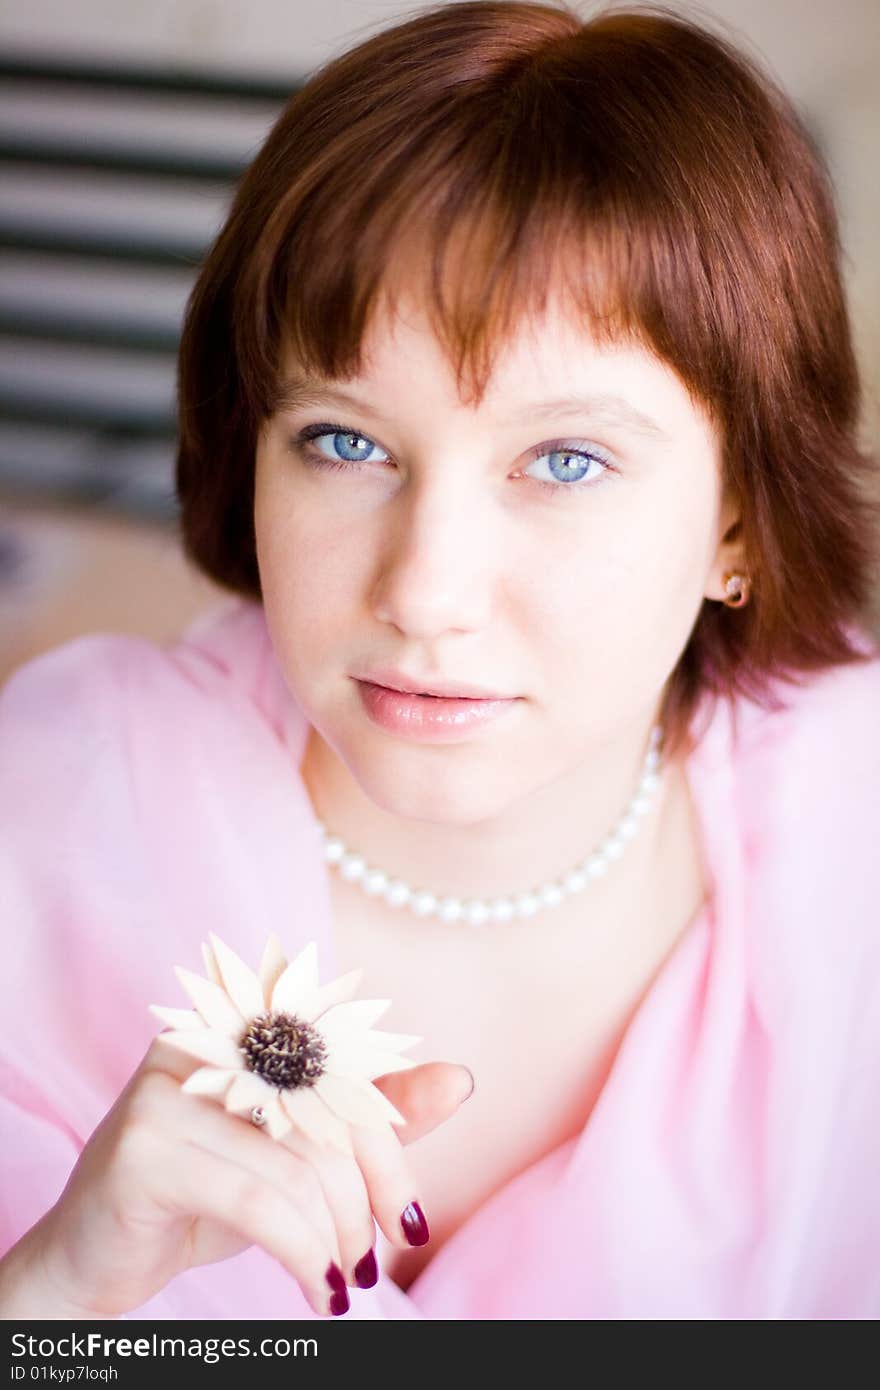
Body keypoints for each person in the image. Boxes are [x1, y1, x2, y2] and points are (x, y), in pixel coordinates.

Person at [1, 0, 879, 1321]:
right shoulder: (55, 809)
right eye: (346, 442)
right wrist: (56, 1294)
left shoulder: (851, 836)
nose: (424, 589)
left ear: (739, 524)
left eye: (565, 460)